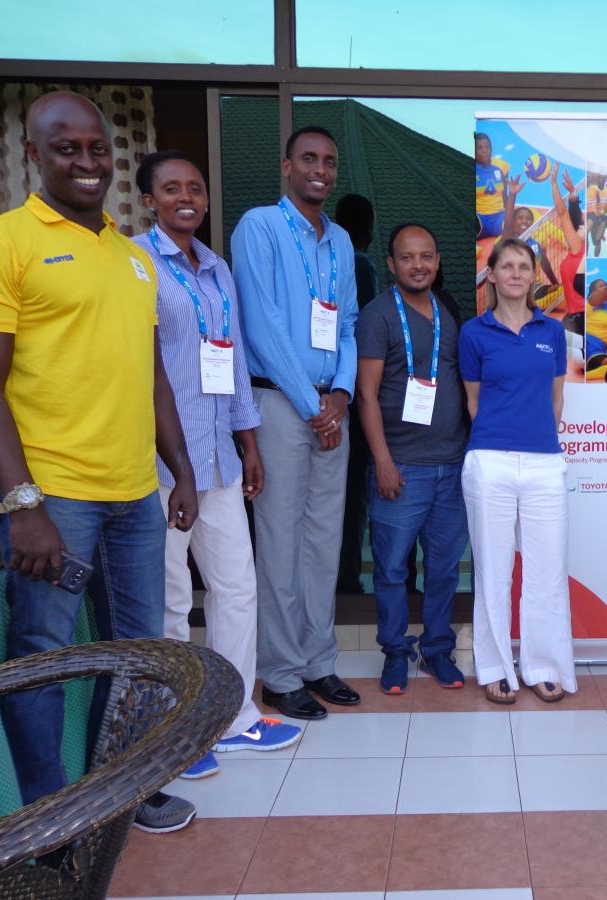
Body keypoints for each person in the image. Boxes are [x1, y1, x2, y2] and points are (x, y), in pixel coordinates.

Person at [0, 92, 199, 832]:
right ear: (33, 154)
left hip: (133, 498)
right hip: (53, 499)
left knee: (137, 656)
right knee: (44, 658)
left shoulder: (132, 257)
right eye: (67, 149)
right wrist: (23, 506)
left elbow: (148, 372)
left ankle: (119, 792)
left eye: (96, 148)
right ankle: (49, 820)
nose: (87, 162)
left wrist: (179, 468)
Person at [135, 150, 302, 780]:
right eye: (171, 188)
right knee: (172, 600)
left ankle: (233, 718)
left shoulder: (216, 268)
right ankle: (175, 731)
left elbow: (229, 363)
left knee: (236, 587)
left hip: (219, 460)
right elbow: (140, 371)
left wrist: (249, 441)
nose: (186, 197)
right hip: (161, 467)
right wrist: (176, 464)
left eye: (195, 188)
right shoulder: (136, 264)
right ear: (149, 199)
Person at [231, 125, 362, 719]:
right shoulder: (258, 227)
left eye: (330, 162)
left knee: (322, 543)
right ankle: (280, 671)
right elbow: (261, 326)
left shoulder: (338, 243)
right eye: (309, 159)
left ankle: (318, 662)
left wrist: (341, 391)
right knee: (280, 543)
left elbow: (350, 326)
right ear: (287, 166)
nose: (321, 170)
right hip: (283, 408)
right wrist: (314, 408)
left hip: (330, 409)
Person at [459, 237, 576, 705]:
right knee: (493, 570)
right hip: (490, 461)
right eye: (505, 265)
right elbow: (472, 401)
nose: (514, 273)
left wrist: (538, 442)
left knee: (547, 571)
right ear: (491, 275)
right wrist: (500, 438)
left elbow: (556, 399)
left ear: (533, 276)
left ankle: (543, 665)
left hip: (545, 461)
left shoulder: (551, 331)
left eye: (523, 266)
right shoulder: (475, 333)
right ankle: (495, 667)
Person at [356, 223, 469, 695]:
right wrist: (382, 460)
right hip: (401, 466)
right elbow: (366, 394)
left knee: (443, 568)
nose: (418, 265)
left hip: (452, 465)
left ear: (438, 261)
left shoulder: (450, 311)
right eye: (407, 257)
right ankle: (395, 653)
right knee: (393, 569)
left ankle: (437, 649)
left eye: (426, 256)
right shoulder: (378, 315)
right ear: (391, 264)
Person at [335, 192, 378, 595]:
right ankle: (346, 579)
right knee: (351, 498)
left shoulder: (330, 260)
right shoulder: (360, 264)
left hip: (329, 393)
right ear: (368, 227)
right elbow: (366, 335)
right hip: (352, 394)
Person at [475, 132, 509, 240]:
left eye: (487, 147)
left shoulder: (498, 170)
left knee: (516, 225)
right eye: (480, 148)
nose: (484, 150)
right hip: (480, 219)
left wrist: (509, 216)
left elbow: (505, 196)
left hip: (499, 218)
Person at [586, 173, 607, 257]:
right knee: (594, 240)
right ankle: (586, 257)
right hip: (591, 216)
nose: (601, 179)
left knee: (597, 240)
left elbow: (602, 201)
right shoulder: (594, 189)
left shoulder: (597, 190)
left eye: (603, 178)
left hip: (599, 217)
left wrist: (600, 211)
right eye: (600, 178)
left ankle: (595, 258)